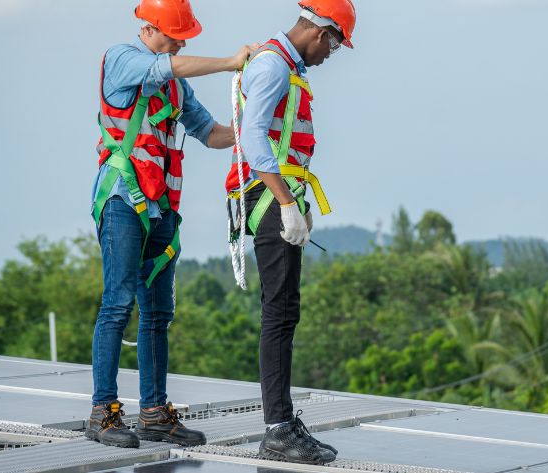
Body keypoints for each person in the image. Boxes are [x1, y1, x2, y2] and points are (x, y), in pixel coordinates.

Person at [87, 0, 256, 449]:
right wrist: (229, 63)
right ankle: (102, 412)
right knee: (118, 304)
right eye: (178, 34)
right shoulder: (121, 59)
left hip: (160, 210)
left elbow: (213, 134)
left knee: (158, 313)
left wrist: (252, 126)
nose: (182, 41)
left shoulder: (176, 88)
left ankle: (154, 414)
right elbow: (166, 67)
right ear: (154, 28)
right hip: (123, 201)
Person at [224, 0, 356, 465]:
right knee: (279, 314)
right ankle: (278, 428)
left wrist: (295, 203)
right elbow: (256, 138)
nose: (329, 56)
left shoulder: (281, 62)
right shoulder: (275, 67)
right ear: (322, 34)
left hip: (277, 200)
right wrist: (284, 203)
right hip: (267, 201)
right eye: (334, 46)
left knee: (284, 311)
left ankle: (281, 423)